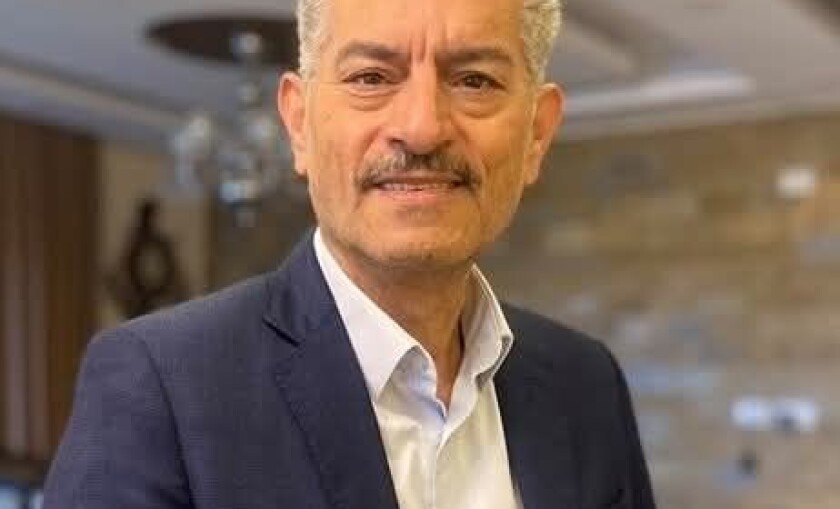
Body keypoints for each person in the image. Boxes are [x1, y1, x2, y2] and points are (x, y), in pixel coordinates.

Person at [43, 0, 656, 507]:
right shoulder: (164, 385)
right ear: (299, 123)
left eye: (474, 80)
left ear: (538, 134)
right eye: (371, 78)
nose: (421, 128)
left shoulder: (585, 386)